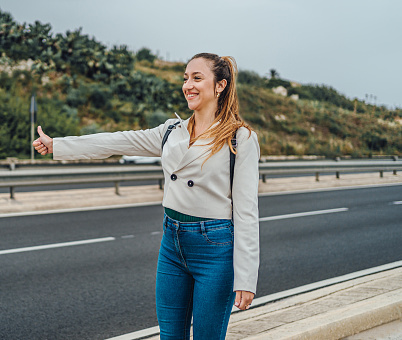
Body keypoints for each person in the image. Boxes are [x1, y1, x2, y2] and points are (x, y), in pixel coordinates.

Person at [33, 52, 260, 340]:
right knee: (170, 335)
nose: (188, 85)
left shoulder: (240, 138)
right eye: (185, 78)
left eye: (197, 78)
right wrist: (59, 146)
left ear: (220, 86)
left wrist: (246, 276)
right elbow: (117, 140)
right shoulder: (171, 131)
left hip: (214, 248)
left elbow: (246, 212)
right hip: (172, 243)